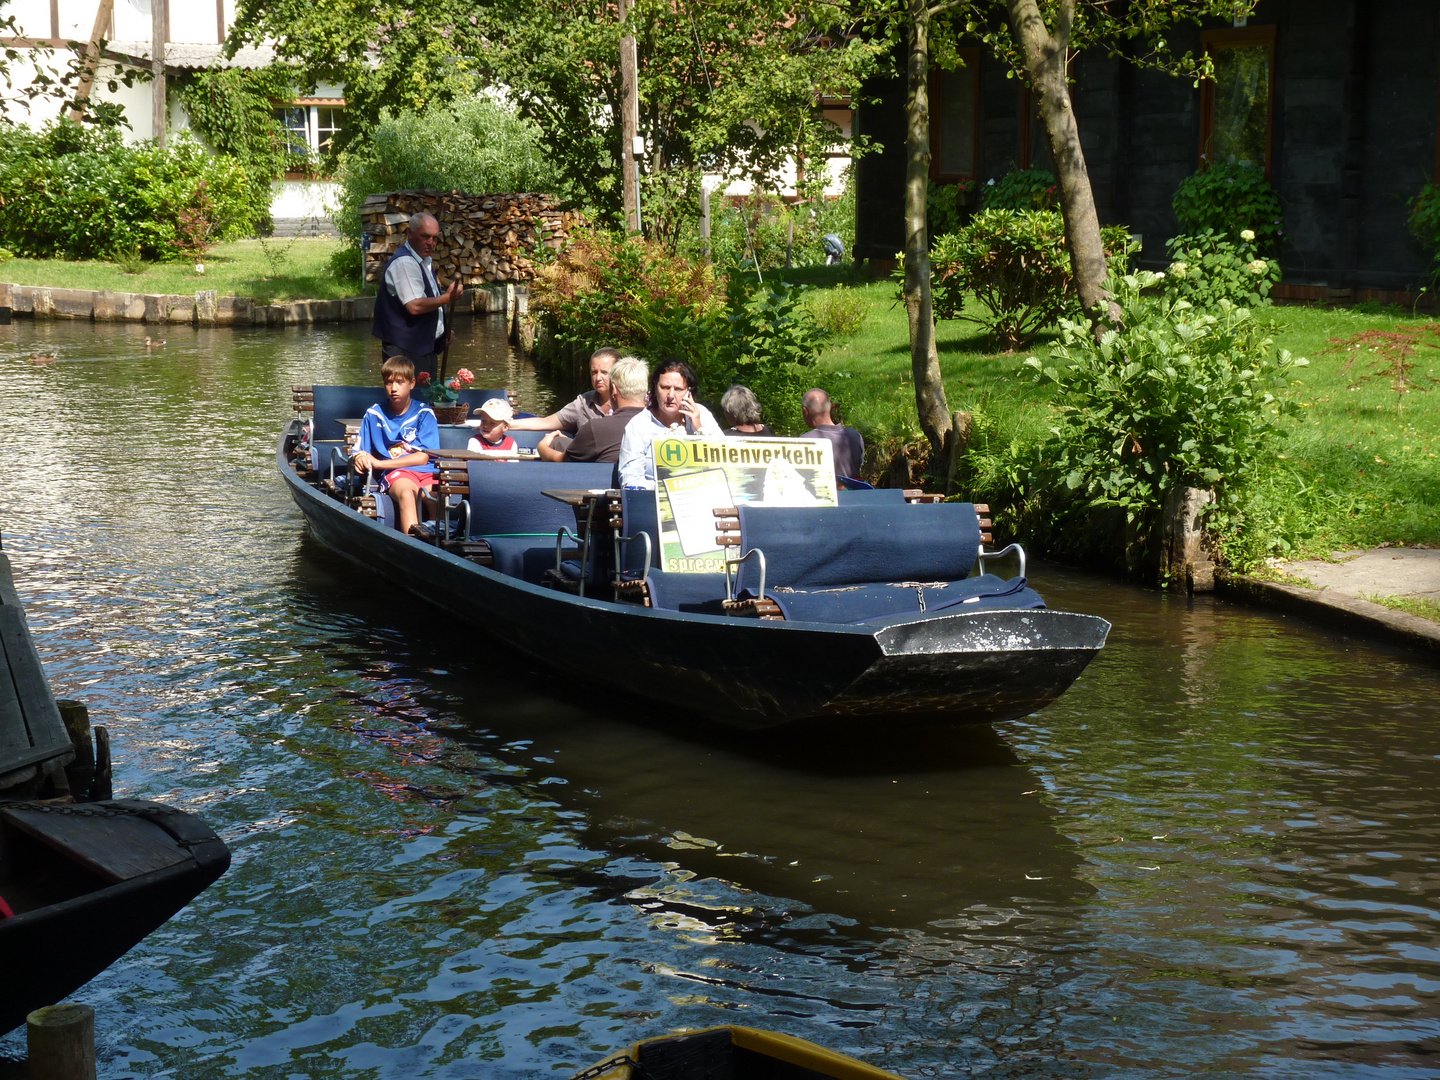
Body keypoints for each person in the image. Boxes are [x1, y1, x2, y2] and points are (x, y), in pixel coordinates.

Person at [370, 213, 464, 381]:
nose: (431, 243)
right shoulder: (405, 263)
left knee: (427, 402)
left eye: (434, 238)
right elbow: (415, 306)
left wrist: (440, 333)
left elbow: (429, 300)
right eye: (425, 236)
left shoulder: (423, 261)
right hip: (405, 354)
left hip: (423, 349)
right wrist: (448, 298)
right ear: (410, 234)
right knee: (412, 405)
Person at [353, 355, 439, 535]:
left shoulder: (424, 413)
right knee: (407, 495)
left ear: (412, 383)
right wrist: (360, 458)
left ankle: (440, 543)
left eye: (400, 382)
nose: (393, 388)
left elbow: (423, 458)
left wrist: (379, 463)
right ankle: (413, 545)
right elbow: (361, 451)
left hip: (427, 471)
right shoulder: (374, 414)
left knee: (435, 497)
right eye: (388, 382)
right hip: (397, 474)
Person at [617, 360, 724, 489]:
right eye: (665, 388)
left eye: (678, 389)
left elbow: (725, 465)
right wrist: (671, 489)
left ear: (689, 392)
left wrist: (699, 429)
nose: (670, 395)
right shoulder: (638, 425)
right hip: (654, 502)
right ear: (655, 389)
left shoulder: (702, 415)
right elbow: (631, 480)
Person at [539, 357, 648, 463]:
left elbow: (560, 460)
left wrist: (542, 446)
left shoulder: (595, 429)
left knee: (557, 441)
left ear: (614, 390)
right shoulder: (661, 426)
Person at [509, 347, 620, 434]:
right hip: (588, 461)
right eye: (594, 372)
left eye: (605, 372)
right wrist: (506, 424)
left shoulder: (629, 401)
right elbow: (546, 422)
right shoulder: (583, 403)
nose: (598, 378)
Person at [800, 387, 865, 479]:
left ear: (805, 411)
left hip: (821, 493)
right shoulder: (855, 436)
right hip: (854, 493)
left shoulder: (805, 442)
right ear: (829, 408)